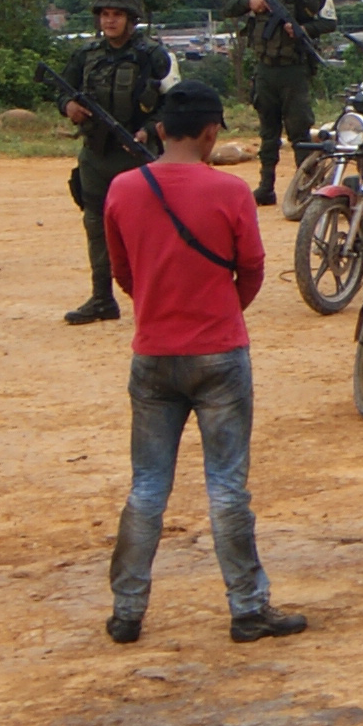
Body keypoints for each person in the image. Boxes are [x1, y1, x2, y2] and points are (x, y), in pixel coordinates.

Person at [98, 81, 306, 645]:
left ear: (161, 129)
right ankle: (247, 607)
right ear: (212, 132)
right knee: (227, 487)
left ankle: (127, 609)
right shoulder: (233, 191)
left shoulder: (121, 188)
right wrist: (219, 311)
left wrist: (160, 309)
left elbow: (122, 273)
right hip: (219, 353)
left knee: (147, 487)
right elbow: (253, 270)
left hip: (153, 355)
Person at [61, 0, 173, 326]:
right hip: (96, 154)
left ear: (132, 18)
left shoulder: (152, 56)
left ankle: (152, 299)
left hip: (136, 155)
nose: (109, 21)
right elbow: (63, 92)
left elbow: (173, 102)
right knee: (95, 224)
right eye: (104, 15)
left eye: (117, 15)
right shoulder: (85, 55)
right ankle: (101, 298)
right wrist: (68, 107)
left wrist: (149, 129)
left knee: (142, 230)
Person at [236, 0, 337, 209]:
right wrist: (249, 3)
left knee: (299, 133)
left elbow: (329, 22)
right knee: (268, 132)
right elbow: (229, 7)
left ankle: (303, 187)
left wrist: (304, 28)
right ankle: (266, 186)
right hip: (266, 69)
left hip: (294, 70)